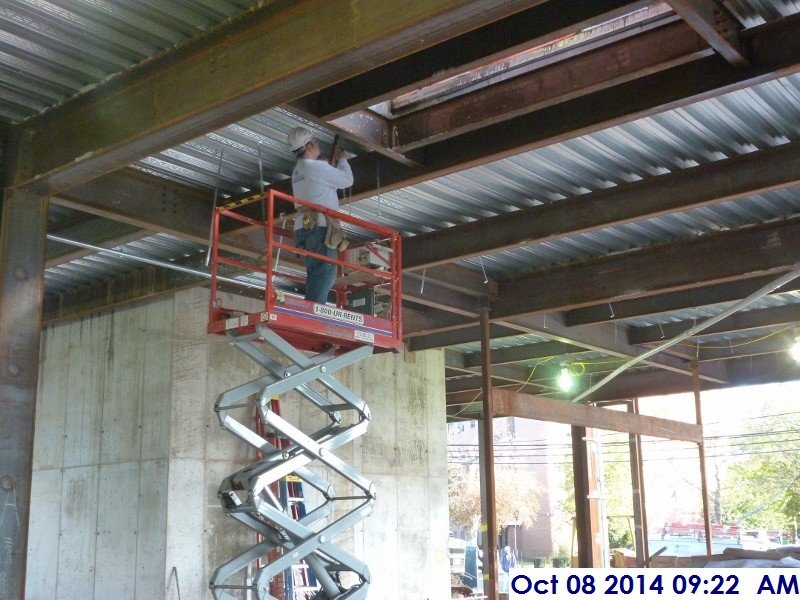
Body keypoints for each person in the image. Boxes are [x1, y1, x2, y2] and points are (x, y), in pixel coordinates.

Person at [287, 127, 353, 304]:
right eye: (315, 142)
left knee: (315, 271)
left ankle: (311, 306)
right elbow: (347, 180)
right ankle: (313, 311)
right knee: (325, 271)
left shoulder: (298, 171)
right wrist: (343, 161)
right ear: (309, 145)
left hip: (304, 227)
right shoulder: (318, 168)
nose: (317, 145)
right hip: (320, 226)